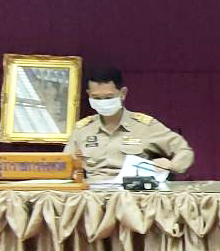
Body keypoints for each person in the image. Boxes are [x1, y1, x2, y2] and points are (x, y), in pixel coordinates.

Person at [63, 66, 193, 183]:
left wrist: (171, 165)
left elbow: (184, 151)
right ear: (89, 95)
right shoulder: (83, 129)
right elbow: (64, 164)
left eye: (108, 97)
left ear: (123, 93)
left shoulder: (144, 126)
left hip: (132, 194)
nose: (103, 102)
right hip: (92, 194)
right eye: (96, 98)